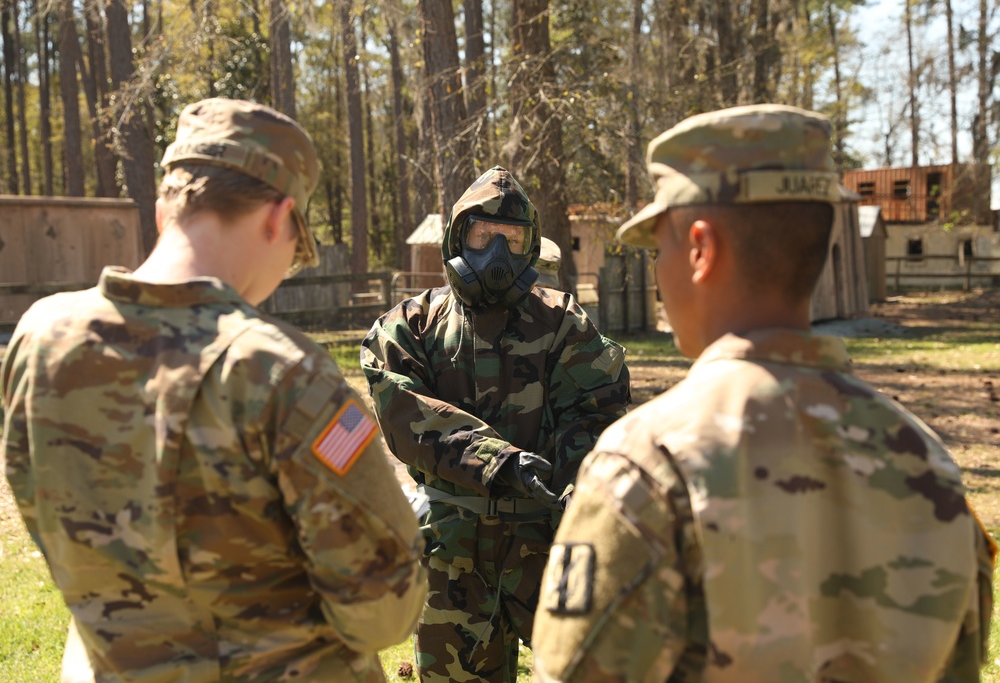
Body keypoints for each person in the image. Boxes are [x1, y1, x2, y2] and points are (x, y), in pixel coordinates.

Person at [532, 104, 996, 682]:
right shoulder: (931, 465)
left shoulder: (650, 462)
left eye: (660, 249)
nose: (658, 273)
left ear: (700, 249)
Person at [1, 98, 427, 682]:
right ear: (278, 218)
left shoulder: (40, 338)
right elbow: (382, 614)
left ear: (162, 210)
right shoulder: (284, 373)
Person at [361, 166, 631, 683]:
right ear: (458, 237)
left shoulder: (563, 323)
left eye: (512, 238)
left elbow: (596, 413)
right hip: (453, 554)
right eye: (485, 235)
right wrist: (501, 462)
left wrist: (576, 487)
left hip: (546, 543)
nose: (498, 253)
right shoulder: (407, 326)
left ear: (532, 246)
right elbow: (405, 415)